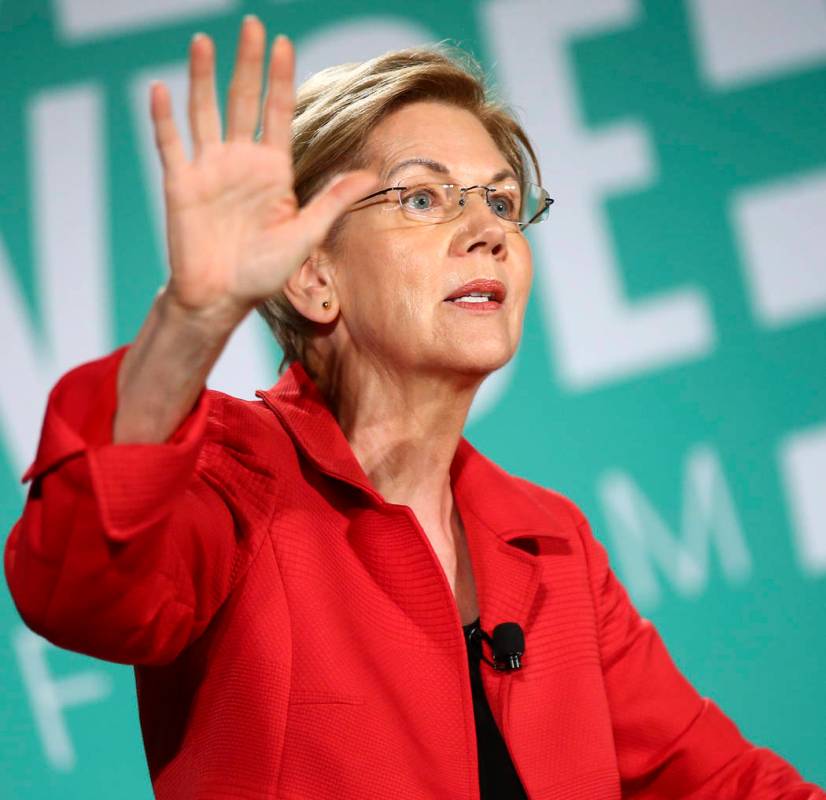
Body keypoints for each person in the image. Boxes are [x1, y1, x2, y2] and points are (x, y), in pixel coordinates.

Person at [4, 15, 823, 800]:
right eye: (425, 200)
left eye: (503, 203)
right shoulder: (232, 475)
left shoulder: (549, 543)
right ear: (311, 275)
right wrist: (191, 319)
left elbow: (721, 783)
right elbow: (84, 592)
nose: (488, 230)